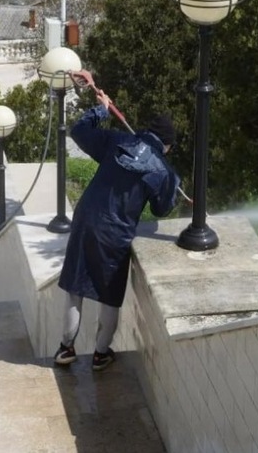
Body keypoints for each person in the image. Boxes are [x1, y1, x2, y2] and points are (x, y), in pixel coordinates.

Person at [53, 71, 181, 371]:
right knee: (109, 294)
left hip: (86, 219)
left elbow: (80, 130)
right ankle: (100, 354)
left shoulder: (118, 141)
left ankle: (65, 349)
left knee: (75, 286)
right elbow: (162, 209)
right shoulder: (161, 170)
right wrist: (172, 186)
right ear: (167, 144)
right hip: (116, 234)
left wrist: (101, 108)